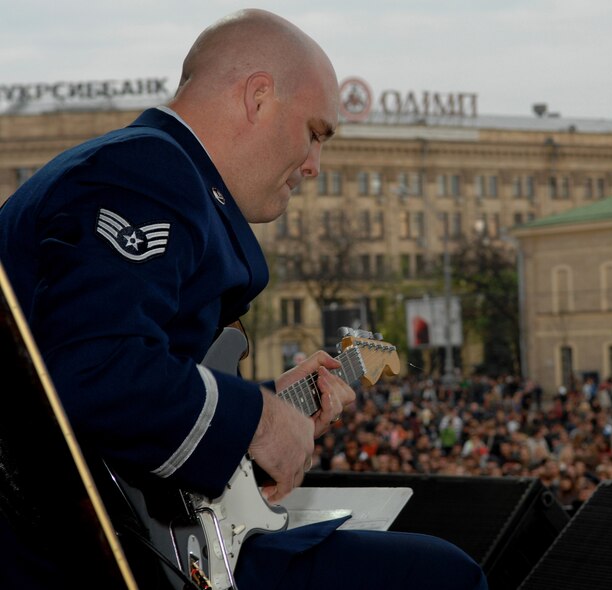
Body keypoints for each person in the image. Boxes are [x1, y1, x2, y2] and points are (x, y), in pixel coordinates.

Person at [0, 9, 487, 590]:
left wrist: (268, 404)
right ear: (258, 97)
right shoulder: (146, 171)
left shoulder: (140, 168)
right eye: (314, 132)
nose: (313, 165)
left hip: (94, 539)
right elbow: (95, 370)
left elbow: (117, 379)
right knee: (436, 575)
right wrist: (256, 419)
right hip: (65, 556)